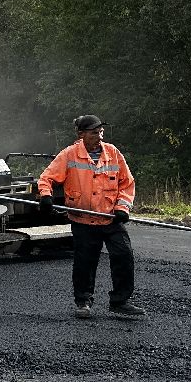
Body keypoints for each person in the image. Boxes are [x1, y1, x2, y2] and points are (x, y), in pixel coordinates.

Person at [37, 114, 144, 320]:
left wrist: (123, 208)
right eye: (94, 132)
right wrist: (46, 196)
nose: (99, 136)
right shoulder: (69, 155)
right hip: (83, 219)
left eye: (101, 132)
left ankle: (120, 301)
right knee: (85, 262)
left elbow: (127, 183)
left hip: (110, 218)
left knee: (123, 255)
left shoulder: (113, 153)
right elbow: (46, 178)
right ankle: (83, 302)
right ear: (81, 134)